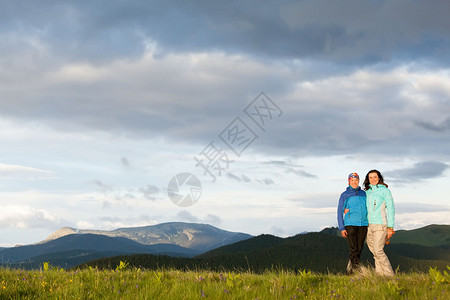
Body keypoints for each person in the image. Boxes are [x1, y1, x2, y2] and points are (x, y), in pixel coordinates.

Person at [363, 169, 395, 277]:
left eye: (375, 177)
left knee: (378, 251)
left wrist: (390, 227)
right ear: (368, 179)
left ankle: (390, 275)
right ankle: (380, 276)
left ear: (379, 178)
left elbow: (391, 209)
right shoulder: (366, 192)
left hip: (380, 225)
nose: (373, 179)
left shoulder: (385, 191)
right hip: (368, 225)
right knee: (374, 252)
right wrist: (346, 209)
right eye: (370, 177)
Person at [337, 172, 368, 274]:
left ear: (359, 181)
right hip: (350, 224)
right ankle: (357, 270)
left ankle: (350, 271)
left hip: (363, 224)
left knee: (359, 248)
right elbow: (339, 211)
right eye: (352, 180)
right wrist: (342, 228)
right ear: (349, 181)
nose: (354, 182)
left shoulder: (364, 193)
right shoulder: (344, 195)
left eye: (356, 180)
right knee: (353, 248)